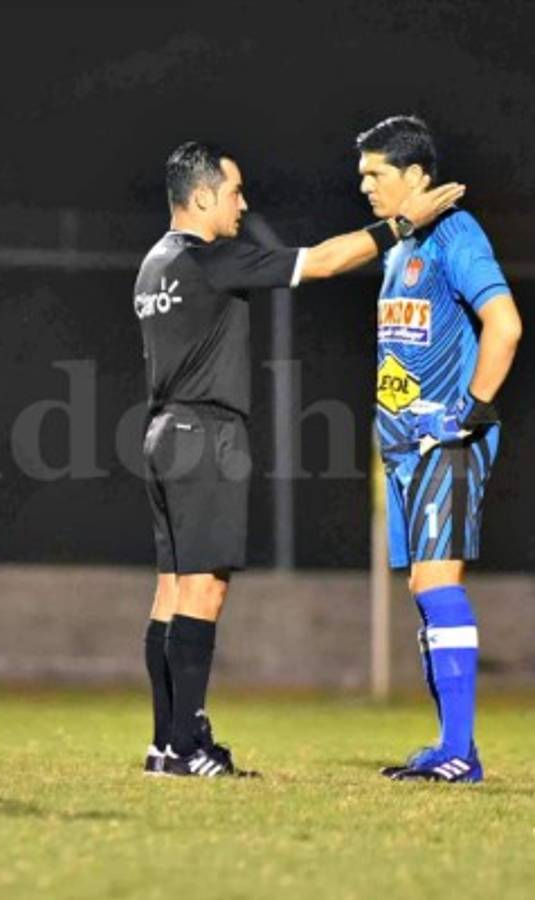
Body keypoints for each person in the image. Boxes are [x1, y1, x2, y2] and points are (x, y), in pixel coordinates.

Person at [135, 141, 463, 777]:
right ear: (202, 197)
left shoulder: (154, 264)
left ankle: (165, 741)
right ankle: (184, 748)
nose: (243, 203)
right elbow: (324, 261)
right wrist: (401, 224)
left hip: (161, 431)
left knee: (171, 589)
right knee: (204, 590)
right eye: (235, 193)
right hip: (206, 433)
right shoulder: (211, 260)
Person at [355, 116, 521, 783]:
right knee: (425, 588)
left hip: (443, 443)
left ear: (417, 176)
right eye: (361, 174)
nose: (363, 185)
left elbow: (504, 327)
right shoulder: (398, 249)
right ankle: (450, 745)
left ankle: (458, 751)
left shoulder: (456, 234)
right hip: (402, 448)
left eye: (376, 174)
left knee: (438, 584)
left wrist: (470, 411)